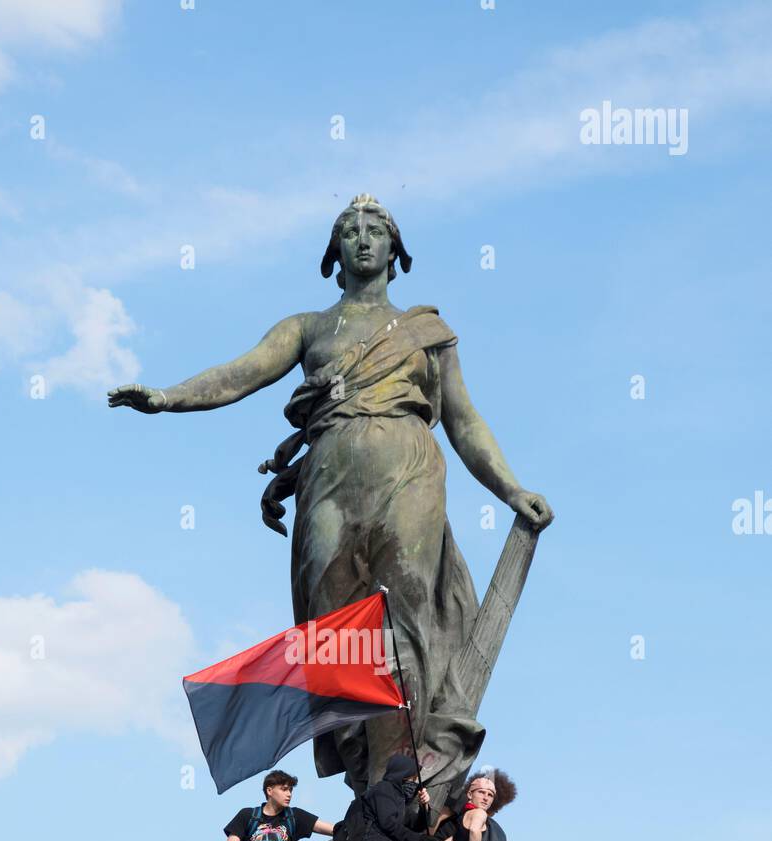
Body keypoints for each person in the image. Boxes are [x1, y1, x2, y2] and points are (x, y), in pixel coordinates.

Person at [109, 192, 553, 800]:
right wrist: (167, 397)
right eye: (351, 230)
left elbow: (464, 421)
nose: (364, 238)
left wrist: (510, 488)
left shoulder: (429, 332)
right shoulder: (309, 328)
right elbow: (243, 372)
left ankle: (398, 781)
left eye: (377, 230)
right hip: (330, 476)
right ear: (333, 252)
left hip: (409, 466)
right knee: (338, 626)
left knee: (404, 617)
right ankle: (365, 778)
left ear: (396, 252)